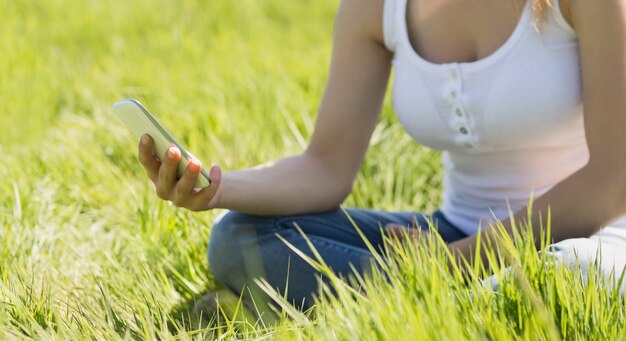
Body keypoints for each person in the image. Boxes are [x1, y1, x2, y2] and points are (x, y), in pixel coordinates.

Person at [137, 0, 626, 313]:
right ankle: (448, 309)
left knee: (572, 271)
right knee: (239, 237)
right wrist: (217, 186)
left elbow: (612, 181)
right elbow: (326, 167)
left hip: (591, 238)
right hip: (449, 235)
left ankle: (316, 306)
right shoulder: (378, 7)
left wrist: (450, 264)